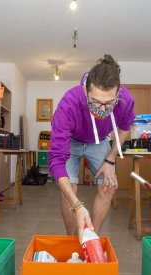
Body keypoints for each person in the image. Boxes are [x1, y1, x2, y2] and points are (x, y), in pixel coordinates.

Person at [48, 54, 135, 239]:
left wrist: (110, 160)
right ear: (86, 92)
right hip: (72, 140)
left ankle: (90, 238)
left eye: (109, 103)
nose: (102, 109)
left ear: (118, 93)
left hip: (99, 141)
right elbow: (56, 160)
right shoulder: (69, 103)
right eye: (96, 102)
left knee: (109, 186)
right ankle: (73, 238)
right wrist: (77, 205)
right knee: (69, 188)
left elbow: (125, 128)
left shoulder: (126, 100)